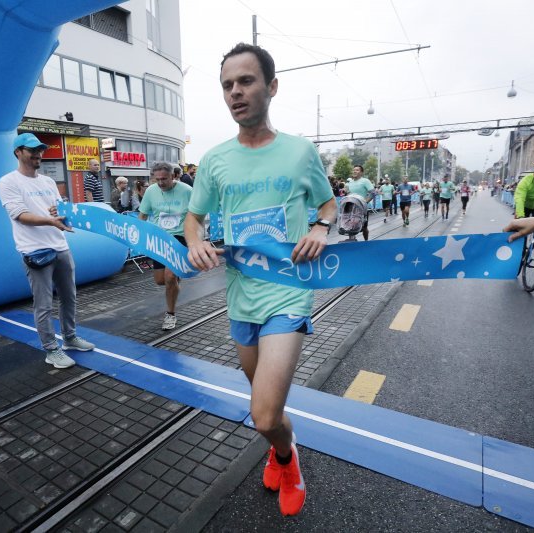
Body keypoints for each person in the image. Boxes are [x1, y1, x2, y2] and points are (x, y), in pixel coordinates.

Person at [184, 43, 336, 517]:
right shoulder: (213, 161)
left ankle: (289, 461)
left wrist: (320, 227)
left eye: (246, 81)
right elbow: (194, 218)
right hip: (240, 295)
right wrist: (194, 240)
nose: (235, 92)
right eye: (227, 85)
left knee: (264, 413)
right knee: (262, 406)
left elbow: (328, 203)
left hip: (289, 291)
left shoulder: (300, 151)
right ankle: (280, 447)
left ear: (271, 87)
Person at [0, 133, 95, 368]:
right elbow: (20, 216)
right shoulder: (8, 182)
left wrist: (62, 217)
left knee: (69, 297)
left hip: (60, 246)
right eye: (32, 150)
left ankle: (70, 338)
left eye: (40, 149)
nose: (38, 154)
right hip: (35, 250)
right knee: (43, 304)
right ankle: (51, 349)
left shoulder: (48, 181)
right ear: (18, 152)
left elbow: (56, 209)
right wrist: (51, 221)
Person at [138, 161, 193, 330]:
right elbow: (143, 215)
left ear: (174, 176)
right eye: (157, 179)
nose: (161, 183)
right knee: (161, 280)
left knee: (169, 277)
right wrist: (141, 238)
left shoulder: (187, 191)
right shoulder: (151, 192)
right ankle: (176, 278)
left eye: (165, 179)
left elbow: (197, 215)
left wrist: (195, 240)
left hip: (180, 237)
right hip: (159, 238)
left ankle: (170, 314)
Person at [346, 165, 374, 240]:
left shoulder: (365, 181)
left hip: (362, 207)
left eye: (357, 170)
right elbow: (349, 193)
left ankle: (366, 242)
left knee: (364, 227)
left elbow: (373, 193)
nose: (354, 171)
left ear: (361, 172)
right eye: (354, 170)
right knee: (350, 225)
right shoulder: (350, 182)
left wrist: (365, 202)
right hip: (351, 207)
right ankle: (352, 241)